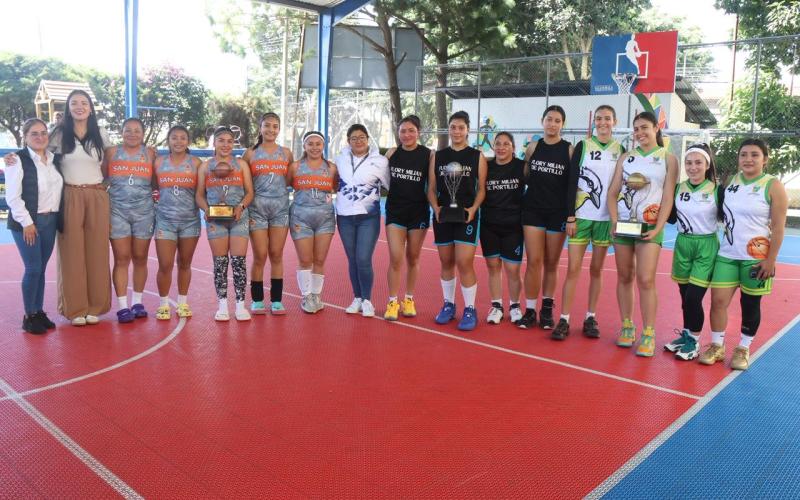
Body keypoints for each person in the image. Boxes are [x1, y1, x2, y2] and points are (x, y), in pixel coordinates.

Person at [701, 139, 788, 370]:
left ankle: (743, 348)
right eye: (744, 155)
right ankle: (717, 346)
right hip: (727, 253)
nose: (748, 159)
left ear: (765, 160)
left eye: (754, 155)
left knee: (750, 304)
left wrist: (770, 260)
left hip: (755, 256)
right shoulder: (732, 182)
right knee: (718, 301)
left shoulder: (773, 185)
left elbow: (779, 227)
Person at [607, 111, 679, 357]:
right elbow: (612, 192)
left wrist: (659, 227)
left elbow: (668, 196)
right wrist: (615, 222)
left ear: (656, 129)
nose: (640, 133)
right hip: (625, 226)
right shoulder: (626, 158)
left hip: (650, 227)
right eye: (636, 129)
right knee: (624, 276)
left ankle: (649, 331)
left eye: (644, 128)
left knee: (646, 279)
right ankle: (627, 325)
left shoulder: (668, 159)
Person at [554, 105, 625, 340]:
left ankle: (590, 317)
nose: (603, 122)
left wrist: (618, 220)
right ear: (594, 122)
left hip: (605, 219)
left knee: (597, 269)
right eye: (599, 119)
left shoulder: (621, 149)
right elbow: (572, 180)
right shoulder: (584, 145)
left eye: (608, 118)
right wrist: (570, 216)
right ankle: (564, 319)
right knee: (573, 269)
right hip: (582, 217)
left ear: (614, 121)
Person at [49, 89, 112, 326]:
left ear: (90, 107)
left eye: (83, 103)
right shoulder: (59, 133)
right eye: (74, 103)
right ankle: (75, 308)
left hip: (96, 194)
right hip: (70, 194)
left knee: (97, 250)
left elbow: (111, 161)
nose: (79, 106)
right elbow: (41, 156)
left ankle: (95, 306)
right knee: (71, 251)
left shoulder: (100, 133)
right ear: (68, 107)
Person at [427, 111, 487, 331]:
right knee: (446, 261)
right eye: (453, 127)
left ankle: (470, 308)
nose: (457, 131)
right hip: (443, 216)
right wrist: (436, 208)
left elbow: (482, 189)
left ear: (467, 129)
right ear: (449, 129)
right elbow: (431, 189)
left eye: (461, 127)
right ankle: (448, 304)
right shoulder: (439, 156)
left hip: (467, 216)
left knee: (464, 262)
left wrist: (473, 209)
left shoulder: (476, 156)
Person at [518, 105, 576, 331]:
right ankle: (530, 310)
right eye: (549, 119)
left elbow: (572, 184)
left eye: (557, 120)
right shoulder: (533, 147)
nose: (552, 124)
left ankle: (547, 309)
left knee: (551, 263)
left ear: (563, 124)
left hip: (557, 213)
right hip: (533, 210)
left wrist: (571, 214)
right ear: (542, 121)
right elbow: (524, 175)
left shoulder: (569, 150)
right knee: (533, 261)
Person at [5, 118, 64, 334]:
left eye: (43, 133)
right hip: (27, 222)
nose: (40, 137)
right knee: (33, 268)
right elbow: (12, 197)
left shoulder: (53, 159)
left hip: (50, 220)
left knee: (40, 270)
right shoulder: (17, 160)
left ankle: (39, 312)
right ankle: (29, 316)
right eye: (34, 134)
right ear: (25, 137)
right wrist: (28, 223)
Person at [663, 144, 719, 361]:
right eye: (689, 163)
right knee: (685, 297)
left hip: (705, 246)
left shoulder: (716, 190)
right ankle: (686, 335)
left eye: (698, 162)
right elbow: (670, 217)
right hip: (683, 244)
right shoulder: (678, 189)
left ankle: (694, 343)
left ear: (707, 165)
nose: (693, 167)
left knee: (695, 298)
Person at [196, 127, 254, 321]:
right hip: (216, 220)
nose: (226, 144)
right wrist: (206, 210)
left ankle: (240, 305)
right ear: (214, 142)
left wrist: (241, 206)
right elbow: (199, 195)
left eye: (230, 141)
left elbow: (249, 192)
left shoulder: (242, 165)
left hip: (238, 218)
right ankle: (222, 305)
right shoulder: (205, 167)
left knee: (239, 262)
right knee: (220, 263)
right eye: (221, 140)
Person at [103, 117, 157, 323]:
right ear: (121, 132)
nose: (132, 134)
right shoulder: (111, 152)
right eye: (128, 130)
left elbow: (156, 182)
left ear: (143, 134)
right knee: (122, 258)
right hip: (117, 211)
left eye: (137, 131)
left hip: (144, 212)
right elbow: (101, 177)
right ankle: (123, 306)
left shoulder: (150, 153)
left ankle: (138, 302)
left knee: (140, 257)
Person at [334, 124, 390, 318]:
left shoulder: (380, 161)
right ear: (348, 141)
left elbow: (390, 185)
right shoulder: (340, 159)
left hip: (368, 217)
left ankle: (367, 300)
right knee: (352, 259)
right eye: (353, 138)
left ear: (368, 138)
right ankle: (356, 297)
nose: (358, 141)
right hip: (344, 216)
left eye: (362, 137)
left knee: (363, 259)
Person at [243, 112, 293, 315]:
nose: (271, 130)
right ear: (260, 128)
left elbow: (290, 180)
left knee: (276, 254)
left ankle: (277, 300)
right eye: (267, 126)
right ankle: (256, 299)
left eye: (275, 126)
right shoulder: (250, 154)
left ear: (279, 129)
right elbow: (243, 182)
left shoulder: (286, 153)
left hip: (280, 209)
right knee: (260, 255)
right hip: (257, 209)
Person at [383, 115, 432, 321]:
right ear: (398, 133)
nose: (407, 135)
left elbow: (433, 185)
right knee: (395, 257)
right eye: (403, 131)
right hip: (395, 211)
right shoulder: (392, 153)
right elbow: (382, 180)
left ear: (418, 132)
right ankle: (392, 301)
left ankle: (409, 299)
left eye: (411, 130)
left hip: (418, 212)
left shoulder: (428, 155)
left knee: (413, 257)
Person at [153, 125, 202, 320]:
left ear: (188, 141)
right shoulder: (158, 163)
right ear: (168, 140)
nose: (178, 141)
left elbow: (203, 191)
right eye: (174, 138)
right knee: (165, 264)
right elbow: (152, 186)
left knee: (184, 262)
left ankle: (182, 302)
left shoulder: (197, 163)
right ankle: (163, 304)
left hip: (190, 221)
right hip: (165, 220)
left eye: (183, 138)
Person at [289, 131, 338, 314]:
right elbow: (288, 184)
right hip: (301, 217)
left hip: (325, 218)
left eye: (318, 144)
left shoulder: (331, 168)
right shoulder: (295, 167)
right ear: (304, 146)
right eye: (311, 144)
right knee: (305, 259)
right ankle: (306, 295)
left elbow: (336, 186)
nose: (315, 147)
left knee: (319, 259)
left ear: (323, 146)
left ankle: (316, 295)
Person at [481, 132, 524, 325]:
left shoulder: (521, 167)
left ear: (513, 147)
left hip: (513, 226)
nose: (501, 147)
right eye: (498, 144)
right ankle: (496, 306)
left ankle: (515, 305)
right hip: (489, 224)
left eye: (506, 144)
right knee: (493, 267)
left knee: (513, 269)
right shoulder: (486, 167)